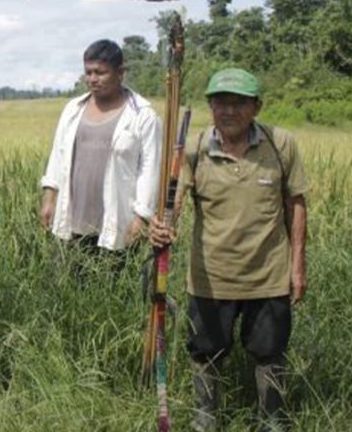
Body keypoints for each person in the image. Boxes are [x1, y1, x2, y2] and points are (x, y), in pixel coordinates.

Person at [150, 68, 308, 431]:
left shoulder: (280, 144)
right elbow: (174, 201)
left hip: (268, 275)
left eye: (239, 103)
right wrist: (163, 227)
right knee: (205, 352)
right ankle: (206, 417)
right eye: (220, 102)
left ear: (256, 107)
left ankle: (271, 417)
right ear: (210, 106)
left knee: (270, 352)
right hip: (211, 277)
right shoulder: (193, 149)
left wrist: (297, 267)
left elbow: (295, 205)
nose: (229, 111)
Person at [39, 39, 161, 272]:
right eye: (89, 72)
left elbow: (150, 169)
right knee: (66, 288)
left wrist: (141, 218)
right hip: (71, 221)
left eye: (101, 72)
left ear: (120, 72)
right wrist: (49, 199)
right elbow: (58, 155)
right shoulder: (73, 109)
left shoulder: (142, 115)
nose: (93, 79)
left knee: (113, 288)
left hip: (117, 223)